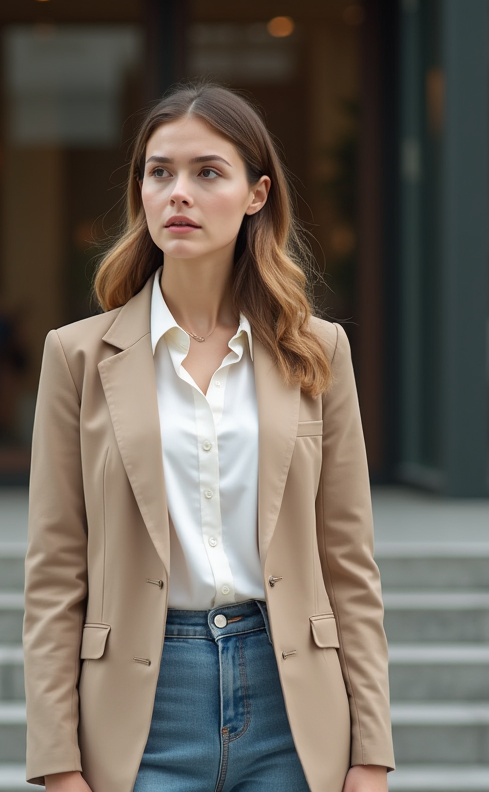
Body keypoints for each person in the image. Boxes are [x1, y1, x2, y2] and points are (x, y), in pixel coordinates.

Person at [23, 83, 394, 792]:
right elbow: (54, 572)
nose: (179, 194)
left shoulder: (317, 350)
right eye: (159, 173)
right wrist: (57, 762)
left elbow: (349, 562)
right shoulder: (77, 356)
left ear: (257, 194)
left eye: (207, 172)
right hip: (142, 712)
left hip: (292, 706)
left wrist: (371, 754)